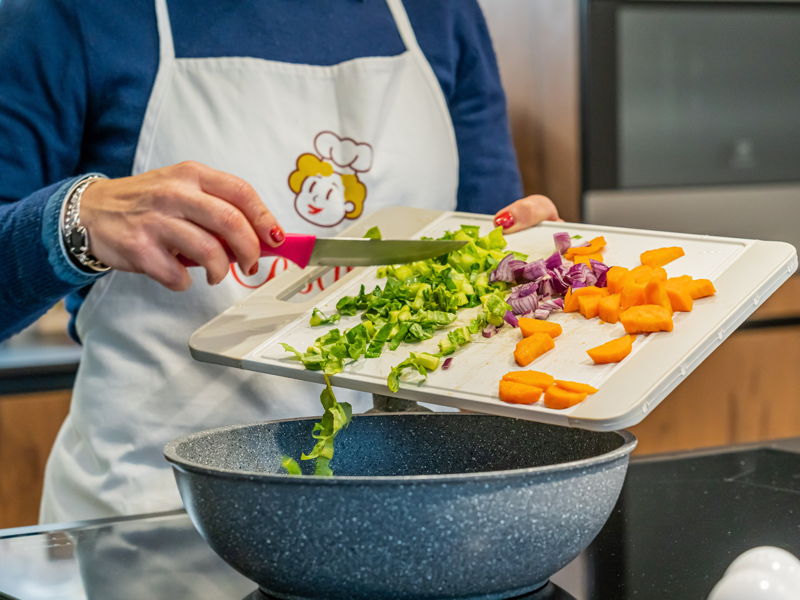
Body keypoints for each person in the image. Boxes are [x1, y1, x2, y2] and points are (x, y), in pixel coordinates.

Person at [0, 0, 560, 524]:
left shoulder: (439, 11)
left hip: (418, 509)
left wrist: (537, 270)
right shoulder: (67, 13)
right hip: (156, 521)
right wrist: (74, 220)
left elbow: (494, 263)